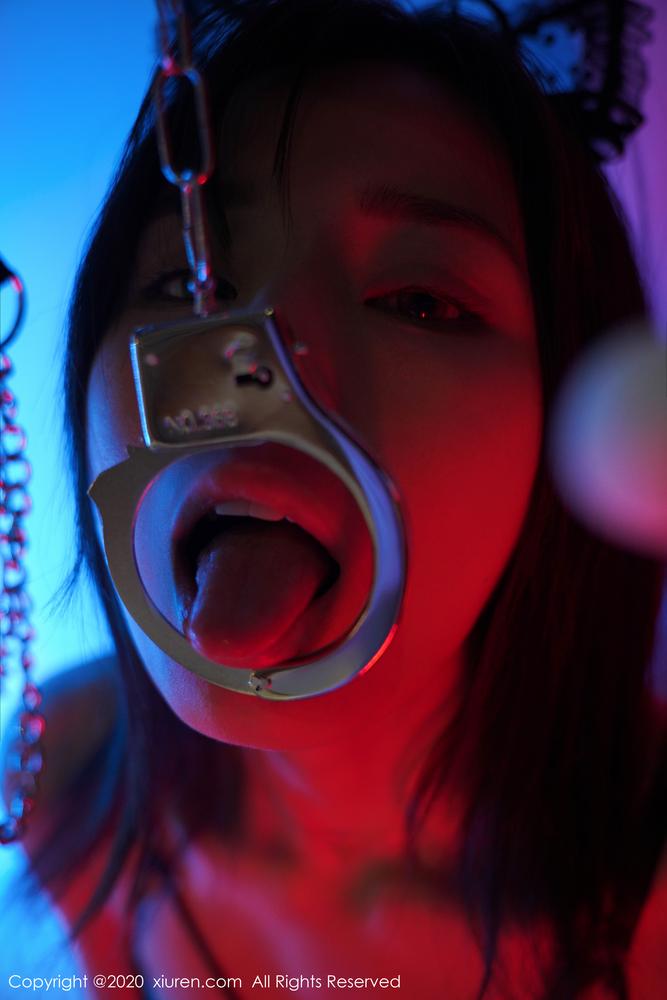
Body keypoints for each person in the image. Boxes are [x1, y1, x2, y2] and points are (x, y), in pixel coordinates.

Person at [4, 1, 666, 997]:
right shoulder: (63, 777)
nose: (266, 352)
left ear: (567, 418)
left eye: (420, 302)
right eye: (187, 281)